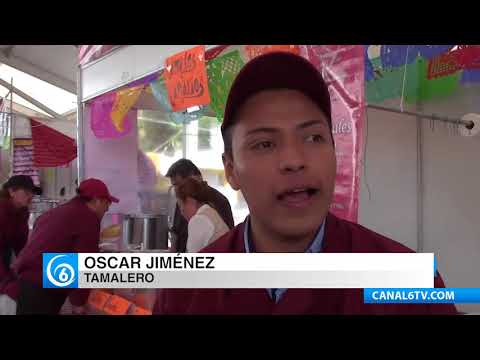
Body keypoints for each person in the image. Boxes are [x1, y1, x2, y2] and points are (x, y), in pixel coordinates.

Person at [154, 52, 458, 315]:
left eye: (313, 137)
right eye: (264, 144)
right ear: (231, 169)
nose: (294, 160)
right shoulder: (185, 290)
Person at [0, 178, 119, 315]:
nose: (108, 208)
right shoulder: (88, 218)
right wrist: (78, 302)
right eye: (107, 202)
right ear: (96, 200)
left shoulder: (58, 212)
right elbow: (82, 262)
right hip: (41, 286)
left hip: (28, 281)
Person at [166, 159, 234, 253]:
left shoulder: (218, 202)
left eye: (178, 184)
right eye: (174, 186)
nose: (177, 189)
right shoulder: (183, 198)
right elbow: (176, 233)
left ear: (194, 178)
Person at [0, 175, 41, 315]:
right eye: (26, 192)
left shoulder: (22, 212)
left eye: (32, 193)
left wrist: (25, 269)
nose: (30, 196)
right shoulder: (2, 210)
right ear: (11, 191)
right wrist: (6, 281)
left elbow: (21, 246)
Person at [175, 177, 230, 252]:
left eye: (181, 206)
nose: (181, 212)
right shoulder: (210, 212)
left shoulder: (199, 220)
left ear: (190, 201)